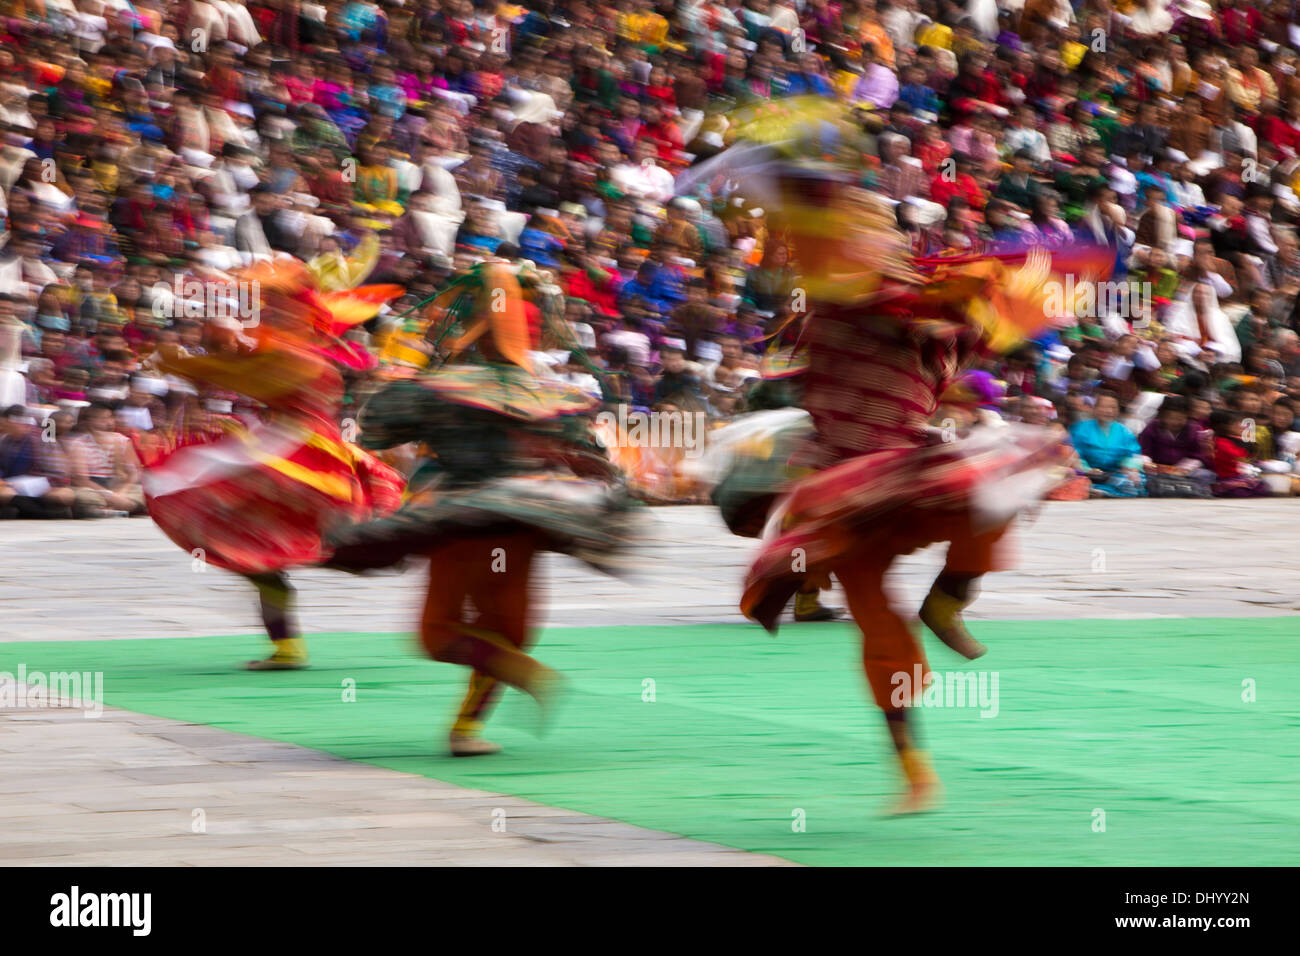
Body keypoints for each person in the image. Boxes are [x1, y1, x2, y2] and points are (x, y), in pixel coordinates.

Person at [688, 100, 1100, 813]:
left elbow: (948, 317)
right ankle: (914, 769)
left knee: (1002, 481)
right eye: (858, 226)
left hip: (901, 463)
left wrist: (989, 291)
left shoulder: (933, 315)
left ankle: (948, 601)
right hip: (837, 477)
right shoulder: (848, 296)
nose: (868, 234)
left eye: (877, 229)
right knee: (877, 617)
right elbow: (828, 269)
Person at [325, 260, 642, 756]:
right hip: (525, 521)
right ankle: (467, 728)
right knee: (507, 628)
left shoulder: (443, 388)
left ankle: (517, 680)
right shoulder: (552, 393)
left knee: (438, 633)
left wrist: (412, 369)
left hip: (459, 518)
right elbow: (591, 457)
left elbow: (378, 427)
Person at [144, 258, 406, 669]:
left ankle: (298, 621)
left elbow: (241, 376)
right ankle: (286, 645)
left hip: (298, 448)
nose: (267, 310)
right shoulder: (290, 349)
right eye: (267, 304)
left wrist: (184, 360)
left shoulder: (300, 358)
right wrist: (206, 346)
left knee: (225, 510)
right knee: (259, 547)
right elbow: (234, 367)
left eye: (276, 303)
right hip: (290, 444)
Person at [1069, 390, 1146, 498]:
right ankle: (1099, 490)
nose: (1108, 411)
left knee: (1137, 482)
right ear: (1095, 408)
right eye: (1104, 407)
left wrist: (1131, 469)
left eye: (1113, 407)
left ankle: (1101, 492)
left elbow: (1132, 454)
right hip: (1087, 474)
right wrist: (1087, 469)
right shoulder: (1081, 428)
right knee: (1070, 478)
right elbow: (1073, 453)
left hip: (1113, 474)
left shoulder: (1124, 431)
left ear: (1118, 410)